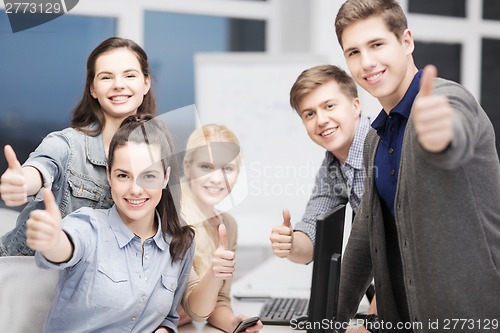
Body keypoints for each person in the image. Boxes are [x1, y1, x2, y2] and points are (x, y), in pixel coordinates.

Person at [334, 0, 500, 332]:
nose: (366, 62)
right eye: (353, 52)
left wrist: (439, 135)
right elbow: (366, 236)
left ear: (406, 41)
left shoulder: (448, 100)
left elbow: (455, 135)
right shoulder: (374, 140)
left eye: (377, 44)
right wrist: (326, 318)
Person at [26, 114, 195, 333]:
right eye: (123, 176)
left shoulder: (181, 243)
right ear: (109, 175)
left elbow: (169, 319)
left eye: (148, 176)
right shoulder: (89, 225)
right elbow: (65, 246)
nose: (135, 189)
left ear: (165, 178)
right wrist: (52, 241)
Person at [0, 36, 156, 256]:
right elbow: (42, 167)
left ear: (146, 83)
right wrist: (22, 182)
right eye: (106, 77)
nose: (119, 84)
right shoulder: (68, 144)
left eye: (129, 75)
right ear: (93, 89)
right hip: (27, 276)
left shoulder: (157, 153)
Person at [269, 65, 370, 265]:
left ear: (355, 106)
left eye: (329, 106)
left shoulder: (384, 145)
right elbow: (312, 234)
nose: (321, 120)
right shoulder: (332, 165)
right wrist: (290, 244)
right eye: (309, 114)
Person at [179, 124, 263, 333]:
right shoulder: (170, 216)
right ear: (187, 167)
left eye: (227, 168)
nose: (217, 178)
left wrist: (234, 325)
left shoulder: (227, 226)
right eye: (206, 167)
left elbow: (219, 302)